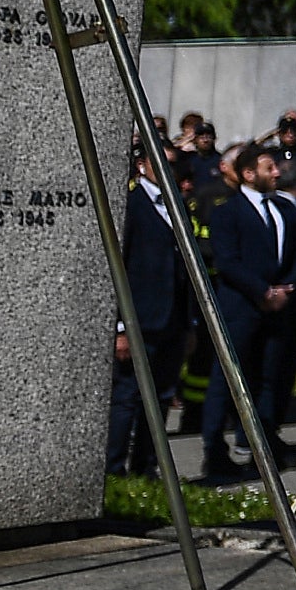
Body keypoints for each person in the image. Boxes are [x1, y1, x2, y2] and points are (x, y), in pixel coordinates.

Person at [199, 143, 296, 478]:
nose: (276, 173)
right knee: (228, 378)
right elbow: (228, 262)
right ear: (249, 174)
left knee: (268, 379)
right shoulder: (227, 212)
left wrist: (284, 288)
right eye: (268, 168)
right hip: (242, 307)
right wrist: (262, 291)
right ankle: (214, 450)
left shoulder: (286, 211)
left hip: (277, 309)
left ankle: (262, 442)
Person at [108, 150, 191, 478]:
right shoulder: (132, 204)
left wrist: (189, 324)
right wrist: (120, 326)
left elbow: (184, 271)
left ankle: (145, 465)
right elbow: (120, 266)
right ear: (143, 165)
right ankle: (113, 469)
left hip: (171, 321)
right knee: (128, 396)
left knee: (158, 398)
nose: (168, 169)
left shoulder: (177, 205)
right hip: (139, 320)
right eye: (162, 162)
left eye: (172, 163)